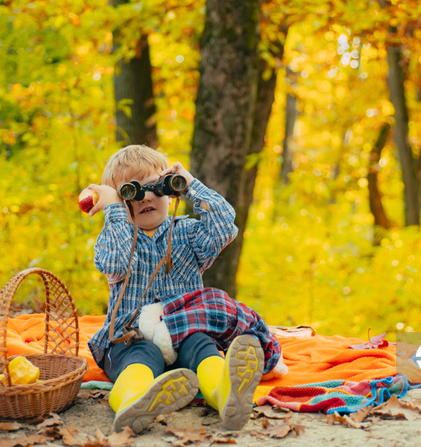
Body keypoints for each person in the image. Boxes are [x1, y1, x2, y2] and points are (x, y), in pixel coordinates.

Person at [86, 145, 285, 434]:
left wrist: (191, 186)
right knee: (142, 357)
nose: (147, 197)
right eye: (132, 192)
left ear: (169, 190)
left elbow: (224, 227)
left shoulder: (188, 233)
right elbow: (113, 262)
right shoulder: (117, 237)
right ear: (120, 200)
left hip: (183, 330)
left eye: (155, 187)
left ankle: (224, 392)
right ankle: (134, 401)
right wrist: (114, 210)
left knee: (203, 345)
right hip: (130, 337)